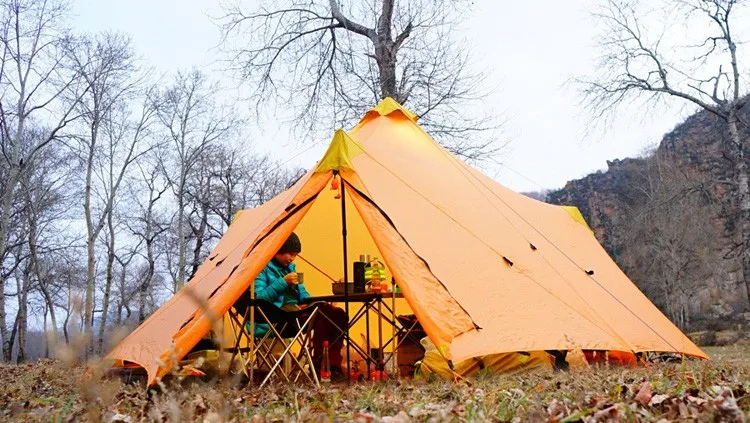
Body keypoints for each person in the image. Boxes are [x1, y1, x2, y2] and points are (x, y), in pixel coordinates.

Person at [253, 232, 348, 380]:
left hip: (295, 313)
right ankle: (320, 365)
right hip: (276, 317)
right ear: (278, 249)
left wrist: (322, 299)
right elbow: (259, 300)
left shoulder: (291, 268)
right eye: (290, 254)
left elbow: (304, 296)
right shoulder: (261, 268)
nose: (292, 258)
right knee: (323, 316)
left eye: (295, 255)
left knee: (337, 314)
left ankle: (332, 365)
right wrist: (283, 282)